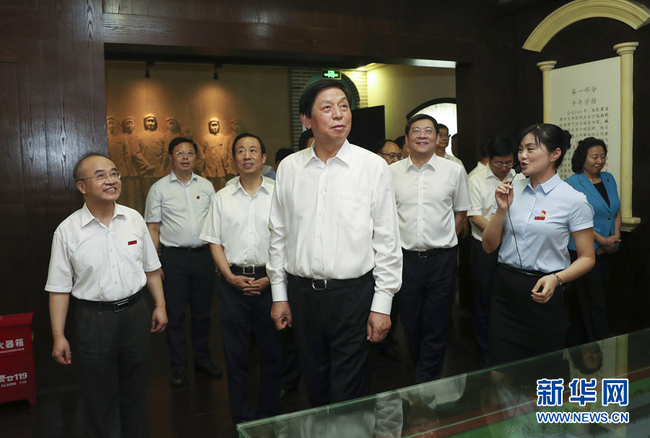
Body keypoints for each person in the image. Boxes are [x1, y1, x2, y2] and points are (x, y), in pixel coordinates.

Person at [268, 79, 402, 407]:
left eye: (343, 106)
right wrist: (279, 295)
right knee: (315, 383)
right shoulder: (290, 168)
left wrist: (382, 305)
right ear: (306, 119)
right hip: (302, 294)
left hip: (354, 295)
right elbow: (278, 234)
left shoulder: (372, 167)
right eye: (327, 108)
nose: (338, 114)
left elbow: (386, 239)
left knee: (349, 391)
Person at [46, 153, 167, 438]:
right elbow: (59, 288)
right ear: (82, 187)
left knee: (136, 391)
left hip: (135, 313)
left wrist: (160, 304)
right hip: (94, 319)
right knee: (99, 396)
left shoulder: (134, 219)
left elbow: (152, 269)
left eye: (114, 174)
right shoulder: (67, 231)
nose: (111, 180)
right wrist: (58, 335)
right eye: (100, 175)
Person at [482, 123, 595, 367]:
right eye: (521, 149)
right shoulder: (510, 190)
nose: (522, 156)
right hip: (505, 291)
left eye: (531, 149)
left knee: (543, 369)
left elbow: (587, 257)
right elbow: (489, 246)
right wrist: (501, 211)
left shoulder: (573, 200)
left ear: (555, 154)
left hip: (545, 291)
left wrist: (557, 279)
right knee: (502, 368)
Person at [200, 133, 282, 424]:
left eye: (253, 151)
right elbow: (214, 241)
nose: (247, 155)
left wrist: (271, 278)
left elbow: (288, 242)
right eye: (240, 151)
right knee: (235, 356)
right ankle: (241, 417)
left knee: (272, 354)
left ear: (263, 159)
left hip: (271, 284)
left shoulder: (278, 194)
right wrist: (229, 276)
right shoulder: (221, 197)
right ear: (233, 159)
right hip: (232, 284)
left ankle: (269, 415)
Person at [390, 114, 471, 383]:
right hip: (405, 260)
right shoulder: (391, 173)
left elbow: (460, 213)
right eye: (416, 131)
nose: (422, 135)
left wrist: (444, 238)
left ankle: (427, 380)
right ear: (407, 139)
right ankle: (421, 371)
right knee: (411, 324)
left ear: (438, 138)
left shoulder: (454, 171)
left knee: (437, 323)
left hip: (442, 259)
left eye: (428, 131)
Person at [144, 137, 221, 386]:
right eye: (180, 152)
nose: (185, 157)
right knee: (175, 315)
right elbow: (152, 228)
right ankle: (178, 366)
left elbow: (216, 224)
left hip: (204, 256)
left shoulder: (207, 186)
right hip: (174, 258)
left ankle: (203, 359)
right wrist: (155, 264)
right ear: (170, 158)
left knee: (203, 314)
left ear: (196, 157)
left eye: (190, 152)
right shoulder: (159, 189)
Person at [467, 136, 522, 368]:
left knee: (508, 297)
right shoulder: (475, 179)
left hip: (512, 246)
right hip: (483, 248)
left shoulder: (519, 178)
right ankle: (485, 350)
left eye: (508, 163)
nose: (504, 168)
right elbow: (474, 215)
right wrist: (494, 230)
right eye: (499, 163)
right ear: (489, 159)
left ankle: (507, 345)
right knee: (484, 299)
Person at [565, 137, 619, 343]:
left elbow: (616, 209)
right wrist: (601, 240)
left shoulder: (609, 178)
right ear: (582, 158)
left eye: (603, 156)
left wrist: (613, 239)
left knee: (604, 296)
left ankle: (601, 339)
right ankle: (591, 341)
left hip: (609, 248)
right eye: (594, 157)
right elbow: (575, 220)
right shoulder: (572, 183)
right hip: (583, 249)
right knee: (589, 299)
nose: (600, 161)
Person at [137, 114, 165, 200]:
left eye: (152, 121)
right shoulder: (140, 136)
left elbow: (165, 152)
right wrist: (146, 165)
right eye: (148, 121)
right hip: (146, 172)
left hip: (158, 172)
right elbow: (136, 153)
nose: (150, 123)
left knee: (160, 195)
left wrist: (161, 166)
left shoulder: (161, 136)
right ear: (145, 123)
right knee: (147, 196)